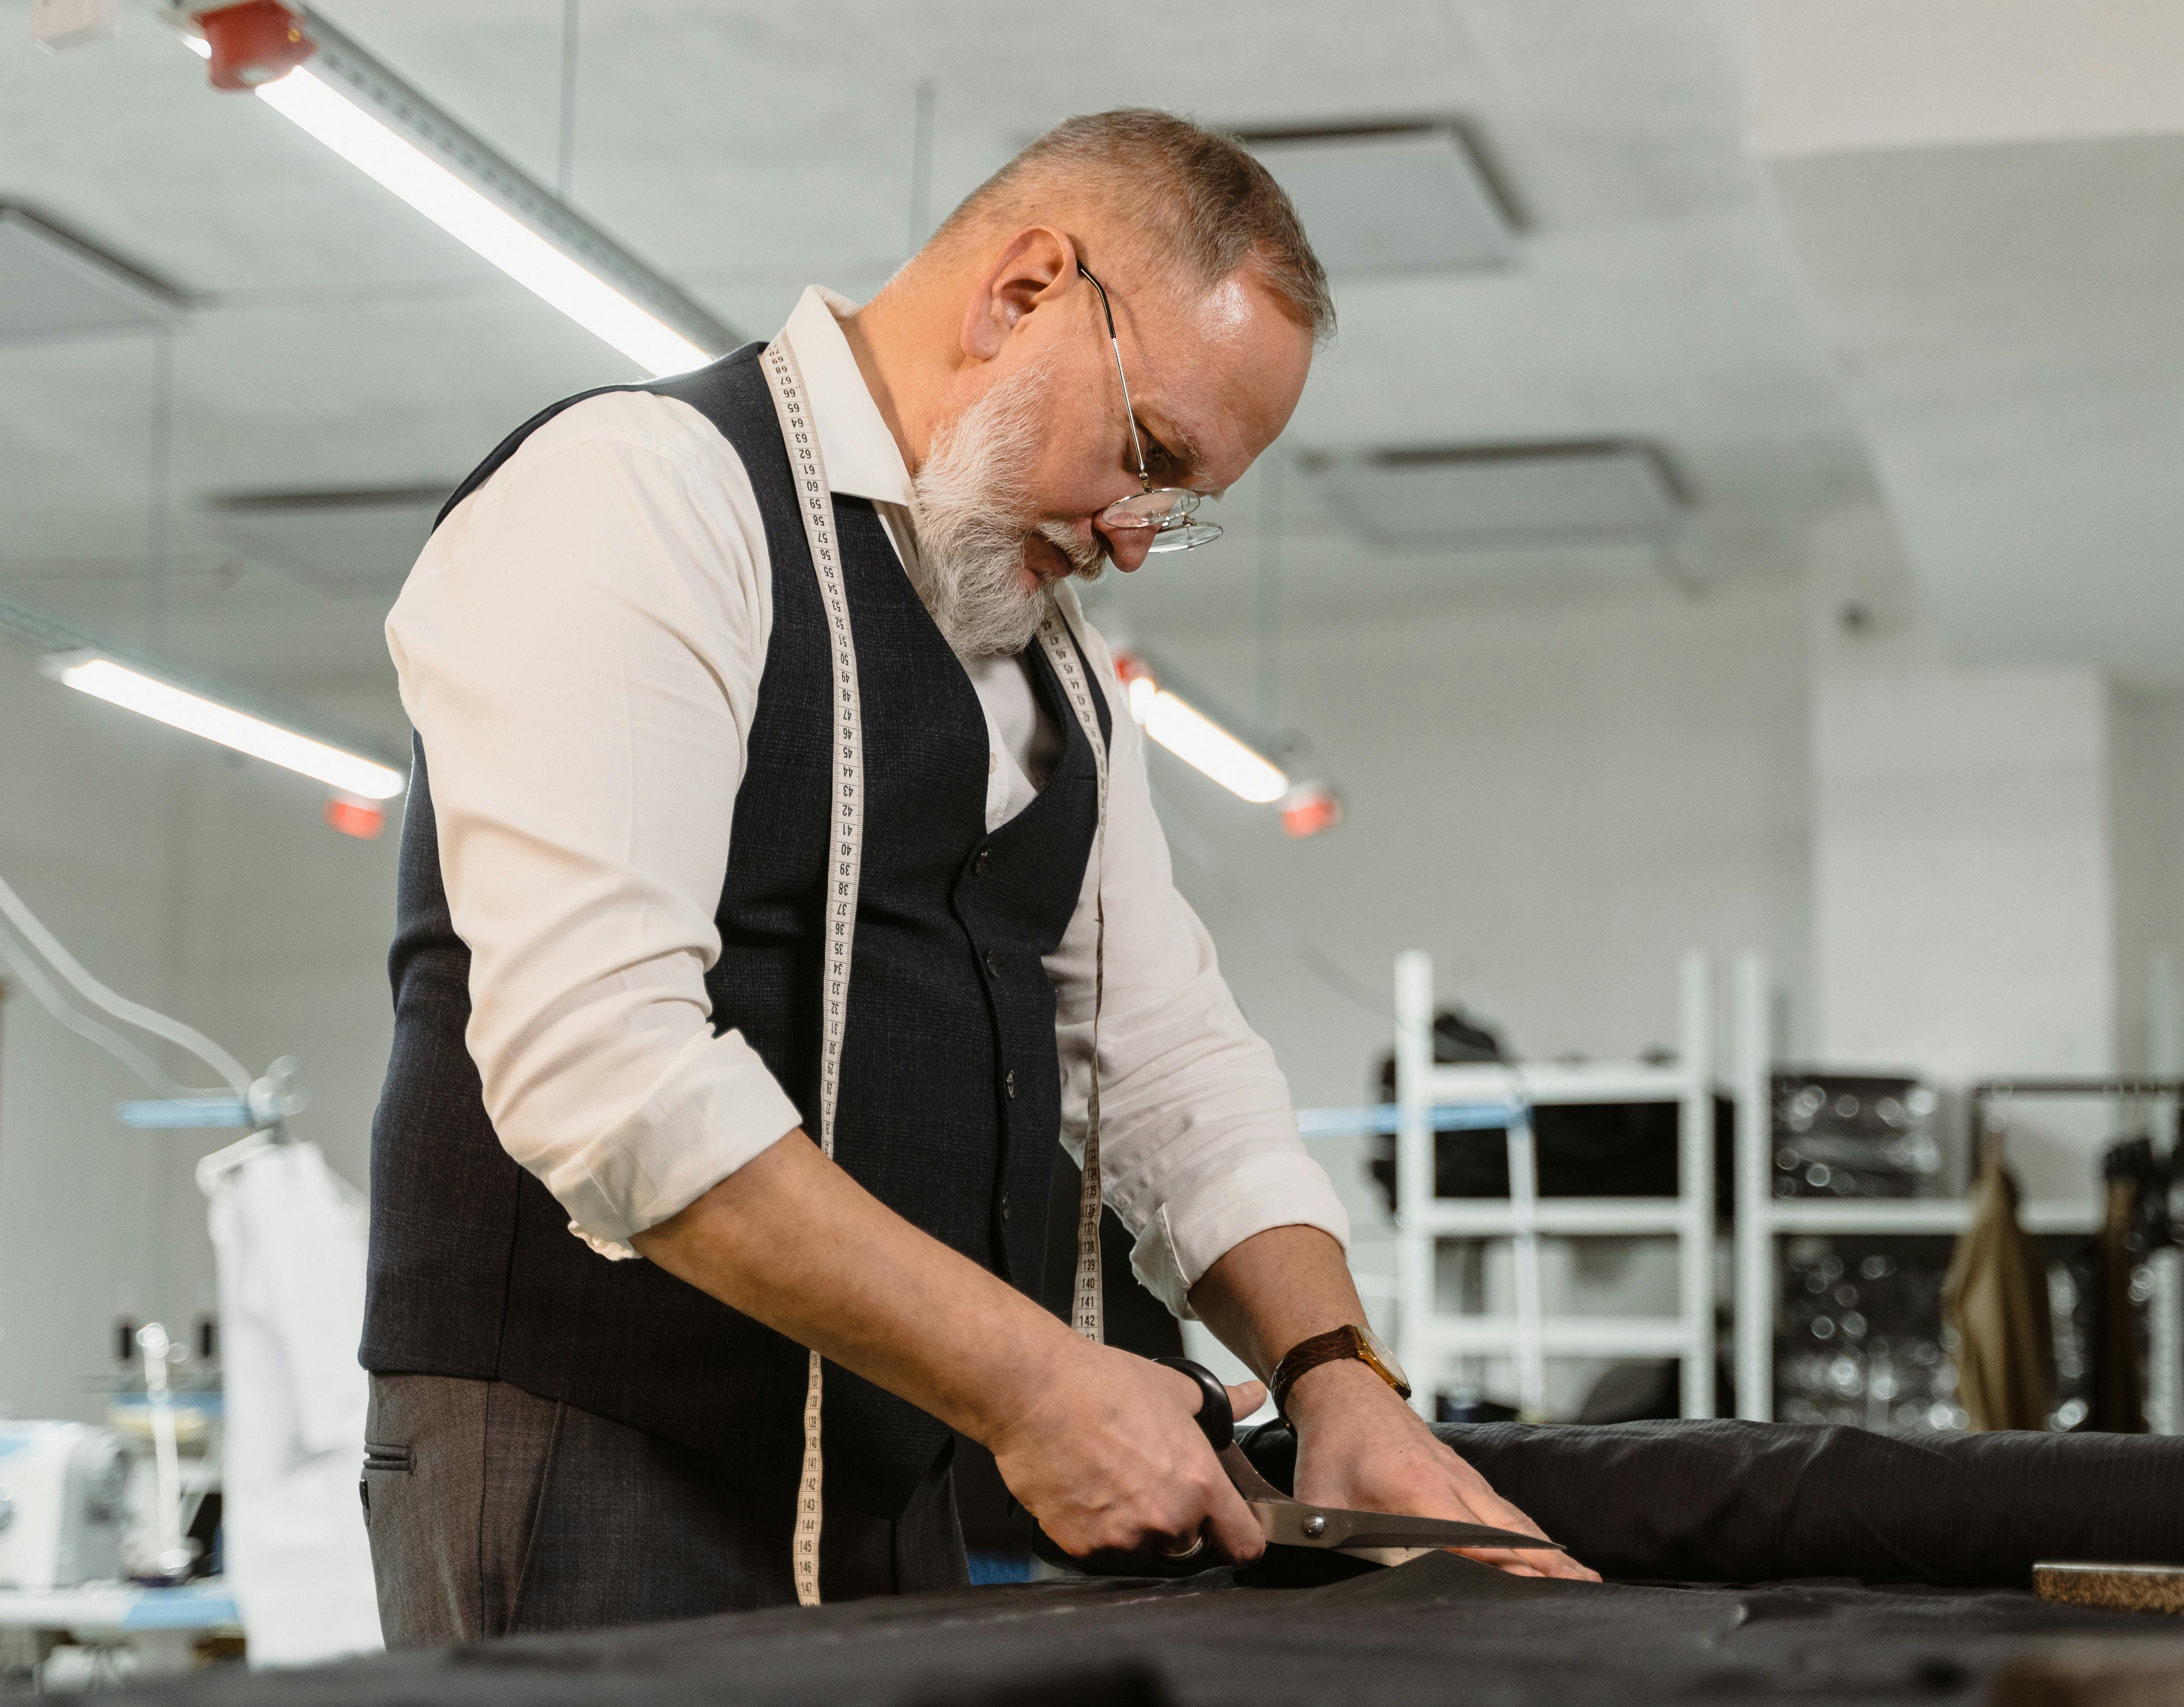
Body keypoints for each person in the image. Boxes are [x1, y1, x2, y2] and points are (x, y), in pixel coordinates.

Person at [358, 108, 1592, 1644]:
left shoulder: (1053, 669)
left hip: (905, 1467)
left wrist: (1336, 1377)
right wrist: (1037, 1383)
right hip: (588, 1450)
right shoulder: (641, 494)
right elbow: (604, 1071)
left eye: (1183, 503)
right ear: (1022, 292)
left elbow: (1165, 1063)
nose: (1138, 538)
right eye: (1149, 458)